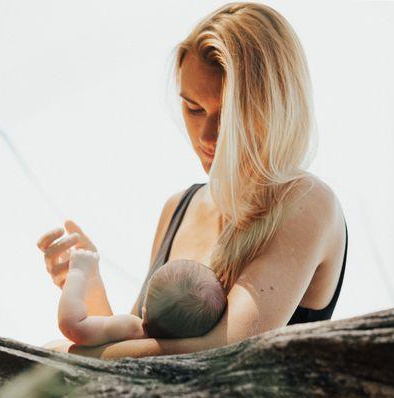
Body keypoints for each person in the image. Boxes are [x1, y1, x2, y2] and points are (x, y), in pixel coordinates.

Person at [37, 2, 348, 359]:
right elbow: (141, 356)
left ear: (275, 108)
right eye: (193, 109)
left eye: (230, 114)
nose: (207, 135)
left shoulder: (308, 202)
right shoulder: (178, 209)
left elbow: (223, 352)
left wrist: (62, 354)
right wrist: (89, 286)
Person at [58, 247, 226, 346]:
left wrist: (78, 272)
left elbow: (73, 326)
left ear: (145, 308)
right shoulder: (195, 351)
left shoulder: (130, 328)